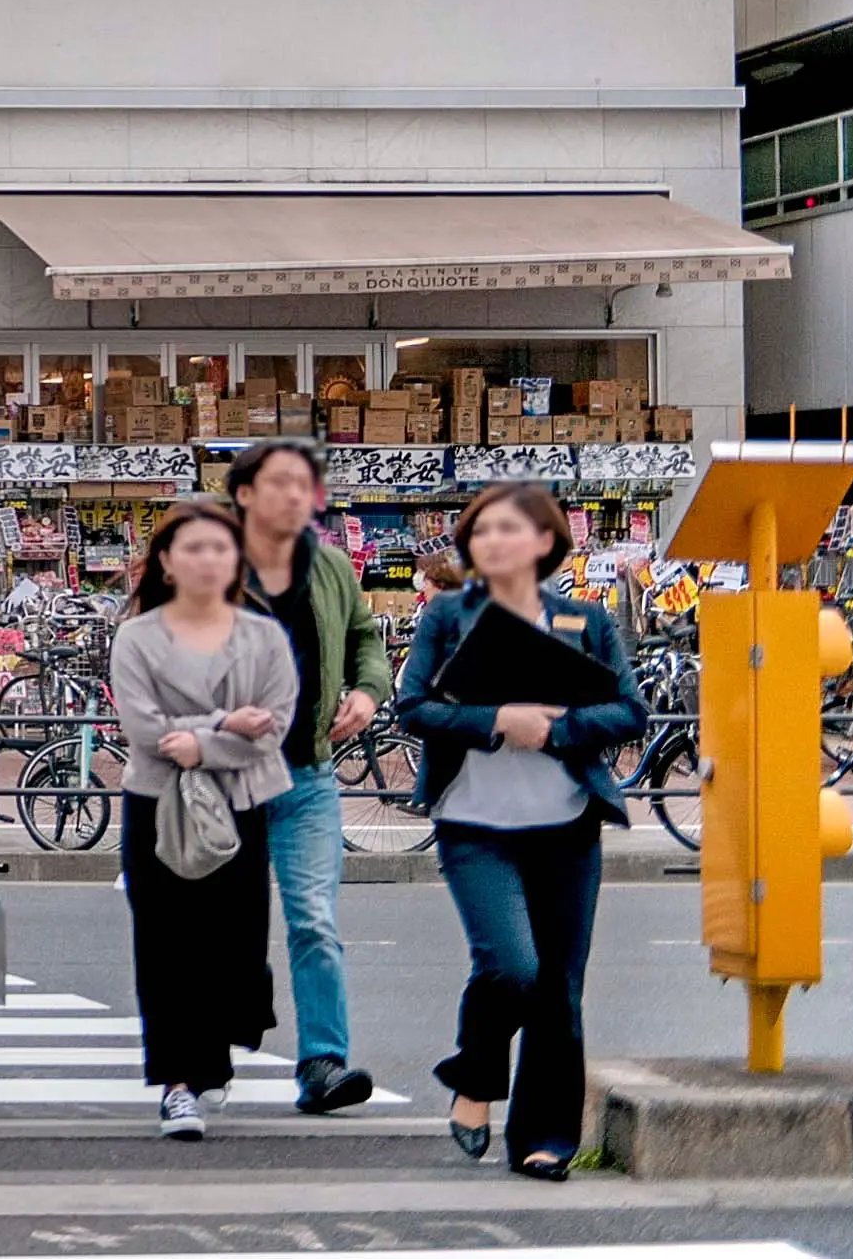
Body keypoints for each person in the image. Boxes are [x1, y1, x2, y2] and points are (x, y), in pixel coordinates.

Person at [398, 481, 646, 1182]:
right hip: (474, 824)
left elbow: (630, 711)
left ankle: (545, 1137)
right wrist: (496, 717)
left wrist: (560, 727)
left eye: (507, 528)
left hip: (566, 825)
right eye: (479, 531)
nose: (490, 540)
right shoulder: (448, 616)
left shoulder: (585, 621)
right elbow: (411, 708)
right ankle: (475, 1074)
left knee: (558, 988)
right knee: (511, 965)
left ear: (545, 539)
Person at [110, 496, 299, 1141]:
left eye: (220, 547)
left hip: (242, 800)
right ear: (165, 560)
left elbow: (275, 724)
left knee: (234, 941)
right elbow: (142, 728)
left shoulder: (263, 634)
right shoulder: (136, 636)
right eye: (192, 547)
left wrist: (204, 745)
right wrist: (220, 723)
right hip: (158, 803)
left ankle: (210, 1053)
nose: (208, 559)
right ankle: (177, 1083)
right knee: (165, 943)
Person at [229, 436, 390, 1115]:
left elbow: (364, 636)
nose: (297, 495)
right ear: (243, 494)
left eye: (305, 484)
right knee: (228, 925)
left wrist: (367, 691)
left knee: (314, 920)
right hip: (223, 775)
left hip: (308, 772)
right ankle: (239, 999)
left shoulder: (328, 566)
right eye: (280, 482)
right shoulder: (210, 561)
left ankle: (321, 1062)